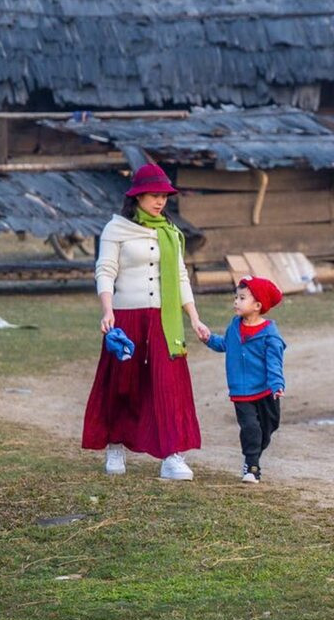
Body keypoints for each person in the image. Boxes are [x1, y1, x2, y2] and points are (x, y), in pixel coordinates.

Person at [84, 163, 212, 479]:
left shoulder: (170, 232)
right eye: (153, 195)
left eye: (164, 196)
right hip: (127, 316)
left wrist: (194, 317)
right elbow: (105, 270)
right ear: (137, 196)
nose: (159, 201)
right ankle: (115, 444)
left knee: (168, 383)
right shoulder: (116, 229)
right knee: (123, 381)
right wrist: (107, 310)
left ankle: (172, 455)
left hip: (164, 320)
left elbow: (180, 276)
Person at [202, 276, 287, 483]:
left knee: (269, 427)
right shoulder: (234, 327)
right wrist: (208, 339)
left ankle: (253, 454)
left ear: (258, 306)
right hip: (241, 392)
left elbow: (274, 363)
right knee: (251, 428)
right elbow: (225, 344)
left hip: (266, 391)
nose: (236, 302)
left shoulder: (270, 335)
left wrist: (277, 384)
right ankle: (252, 466)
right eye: (236, 297)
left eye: (242, 298)